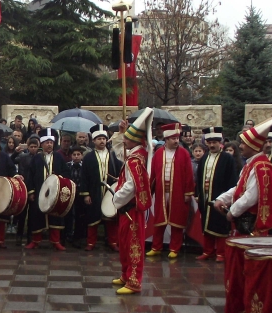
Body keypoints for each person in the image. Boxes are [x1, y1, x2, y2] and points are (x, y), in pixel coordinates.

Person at [213, 117, 272, 237]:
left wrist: (233, 212)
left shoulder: (261, 166)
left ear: (254, 146)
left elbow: (251, 196)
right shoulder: (251, 164)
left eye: (243, 143)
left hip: (252, 224)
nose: (240, 146)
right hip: (243, 221)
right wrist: (222, 199)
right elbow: (239, 187)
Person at [111, 110, 153, 294]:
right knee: (125, 243)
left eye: (126, 138)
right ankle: (126, 274)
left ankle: (134, 281)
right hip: (128, 208)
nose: (124, 141)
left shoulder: (135, 160)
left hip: (131, 207)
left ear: (134, 141)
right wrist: (122, 132)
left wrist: (116, 197)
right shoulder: (136, 154)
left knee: (134, 244)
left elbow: (132, 186)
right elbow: (121, 152)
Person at [147, 123, 196, 259]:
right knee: (159, 220)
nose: (176, 141)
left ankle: (175, 248)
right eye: (173, 138)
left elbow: (188, 174)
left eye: (177, 138)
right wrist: (149, 190)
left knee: (177, 221)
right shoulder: (159, 153)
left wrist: (188, 192)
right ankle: (156, 247)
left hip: (178, 191)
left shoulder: (184, 153)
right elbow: (153, 174)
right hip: (162, 191)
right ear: (166, 139)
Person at [195, 127, 236, 261]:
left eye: (215, 142)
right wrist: (198, 194)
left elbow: (232, 179)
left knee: (220, 223)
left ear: (220, 142)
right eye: (209, 142)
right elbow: (199, 176)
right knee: (206, 222)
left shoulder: (227, 158)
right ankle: (208, 250)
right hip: (205, 195)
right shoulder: (205, 157)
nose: (212, 145)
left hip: (221, 195)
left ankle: (221, 252)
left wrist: (228, 198)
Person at [25, 128, 67, 251]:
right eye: (47, 142)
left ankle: (56, 241)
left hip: (55, 193)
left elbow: (65, 173)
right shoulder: (36, 159)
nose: (49, 144)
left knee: (55, 216)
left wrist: (59, 178)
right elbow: (30, 176)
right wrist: (31, 191)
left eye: (51, 142)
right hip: (39, 192)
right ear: (42, 144)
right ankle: (35, 241)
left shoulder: (59, 157)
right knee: (36, 216)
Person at [82, 125, 122, 251]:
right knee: (93, 217)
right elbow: (84, 176)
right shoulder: (88, 157)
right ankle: (91, 242)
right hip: (94, 191)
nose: (102, 141)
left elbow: (120, 172)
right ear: (93, 141)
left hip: (110, 191)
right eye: (99, 139)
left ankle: (113, 241)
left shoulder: (113, 155)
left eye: (104, 138)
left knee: (111, 218)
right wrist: (86, 193)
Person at [65, 146, 86, 247]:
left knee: (80, 215)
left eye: (78, 154)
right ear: (71, 156)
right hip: (70, 193)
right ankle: (68, 234)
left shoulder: (85, 166)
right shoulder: (67, 166)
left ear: (82, 155)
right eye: (74, 155)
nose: (76, 157)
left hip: (81, 194)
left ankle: (79, 236)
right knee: (69, 215)